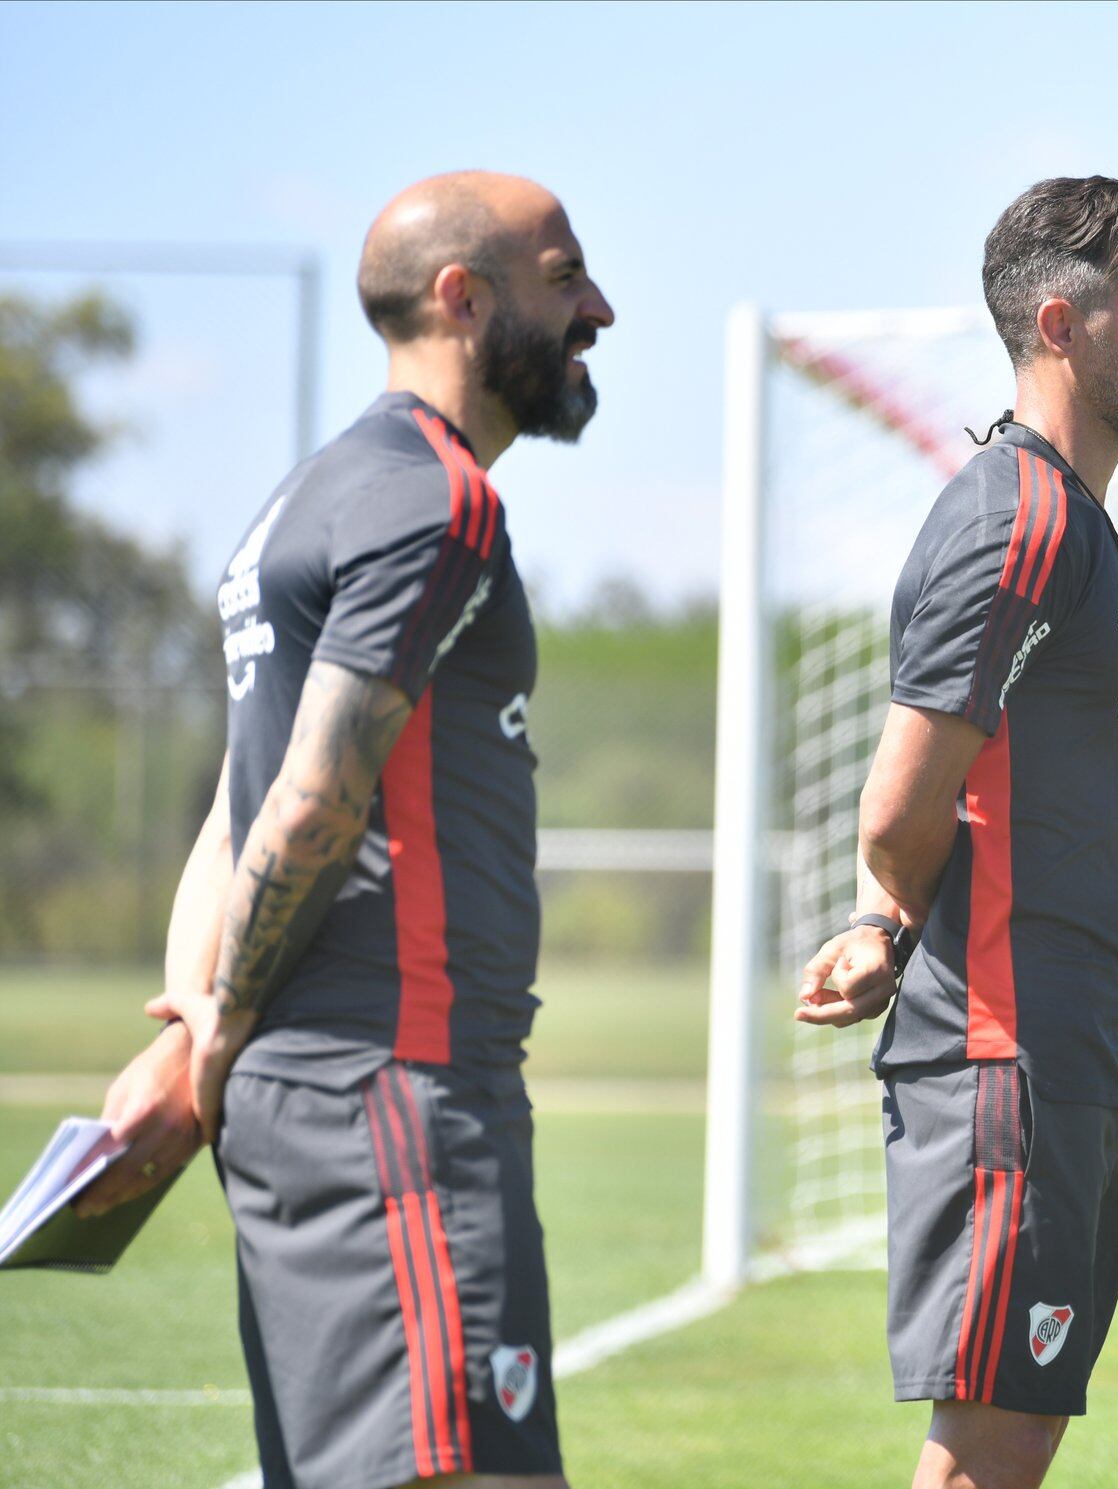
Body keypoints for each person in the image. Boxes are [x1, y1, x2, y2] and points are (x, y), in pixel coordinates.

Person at [78, 170, 614, 1489]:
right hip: (396, 1094)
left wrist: (193, 1014)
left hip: (328, 1099)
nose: (598, 308)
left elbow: (232, 808)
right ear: (462, 297)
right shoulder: (439, 501)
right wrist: (215, 1024)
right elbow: (310, 801)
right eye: (565, 278)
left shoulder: (299, 503)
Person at [793, 175, 1118, 1489]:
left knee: (1015, 1442)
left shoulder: (1074, 522)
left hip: (1069, 1054)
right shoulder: (1014, 518)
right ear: (1062, 323)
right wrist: (888, 916)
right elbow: (903, 799)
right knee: (983, 1457)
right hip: (1004, 1059)